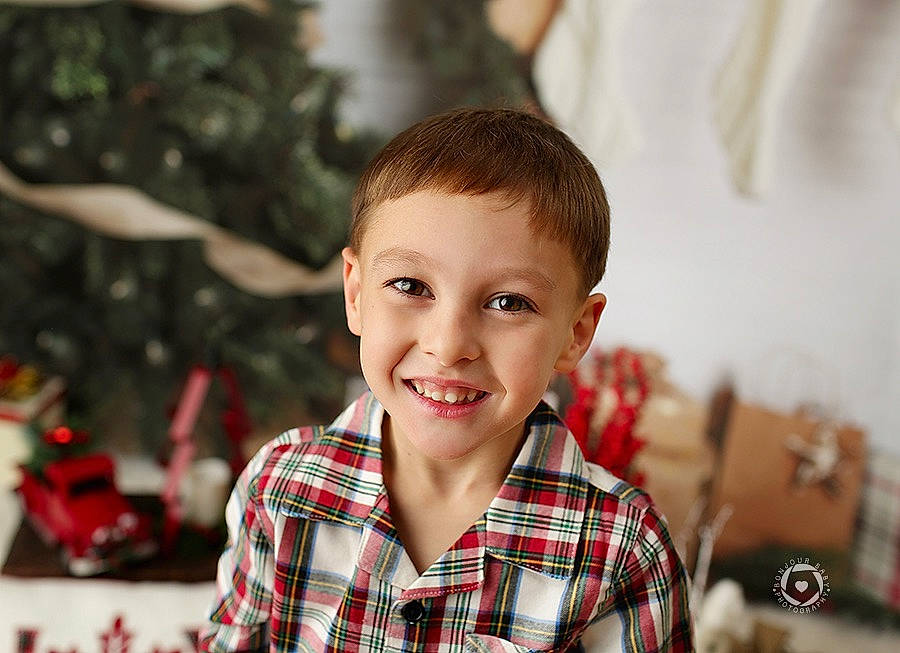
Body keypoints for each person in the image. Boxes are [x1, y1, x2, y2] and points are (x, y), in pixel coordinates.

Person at [200, 108, 693, 652]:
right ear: (357, 295)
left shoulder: (623, 552)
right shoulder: (280, 489)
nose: (449, 344)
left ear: (575, 333)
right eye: (410, 286)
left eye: (509, 302)